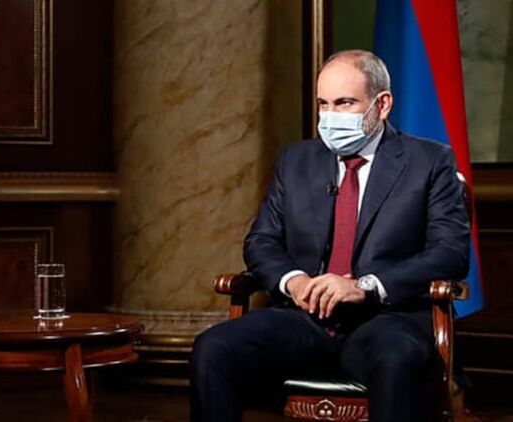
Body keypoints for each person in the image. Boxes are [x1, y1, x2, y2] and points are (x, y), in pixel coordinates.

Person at [190, 50, 469, 422]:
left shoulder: (429, 162)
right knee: (213, 347)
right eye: (323, 104)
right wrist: (295, 281)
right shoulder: (296, 161)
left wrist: (365, 286)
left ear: (382, 104)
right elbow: (261, 241)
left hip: (386, 320)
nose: (330, 116)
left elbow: (450, 252)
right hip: (303, 320)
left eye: (345, 103)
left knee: (396, 357)